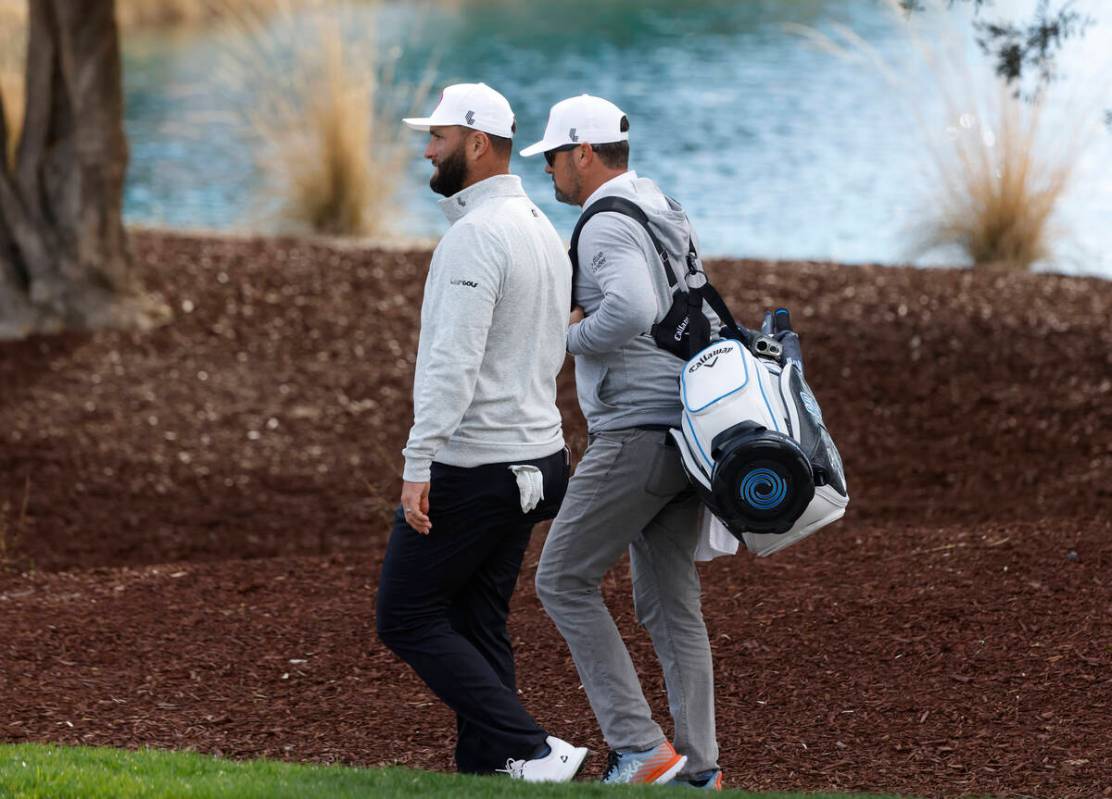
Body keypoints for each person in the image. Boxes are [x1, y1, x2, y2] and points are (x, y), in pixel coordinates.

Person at [374, 83, 587, 783]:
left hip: (477, 466)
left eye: (436, 137)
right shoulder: (539, 229)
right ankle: (490, 769)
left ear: (476, 142)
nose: (426, 150)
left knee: (404, 614)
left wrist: (418, 462)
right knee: (477, 618)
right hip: (539, 461)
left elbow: (451, 364)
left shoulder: (475, 237)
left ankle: (531, 746)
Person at [521, 95, 723, 790]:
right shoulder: (656, 202)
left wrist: (565, 336)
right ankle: (700, 769)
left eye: (551, 156)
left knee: (562, 576)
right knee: (669, 603)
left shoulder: (604, 224)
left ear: (582, 151)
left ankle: (640, 748)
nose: (547, 170)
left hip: (636, 430)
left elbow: (633, 307)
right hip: (687, 431)